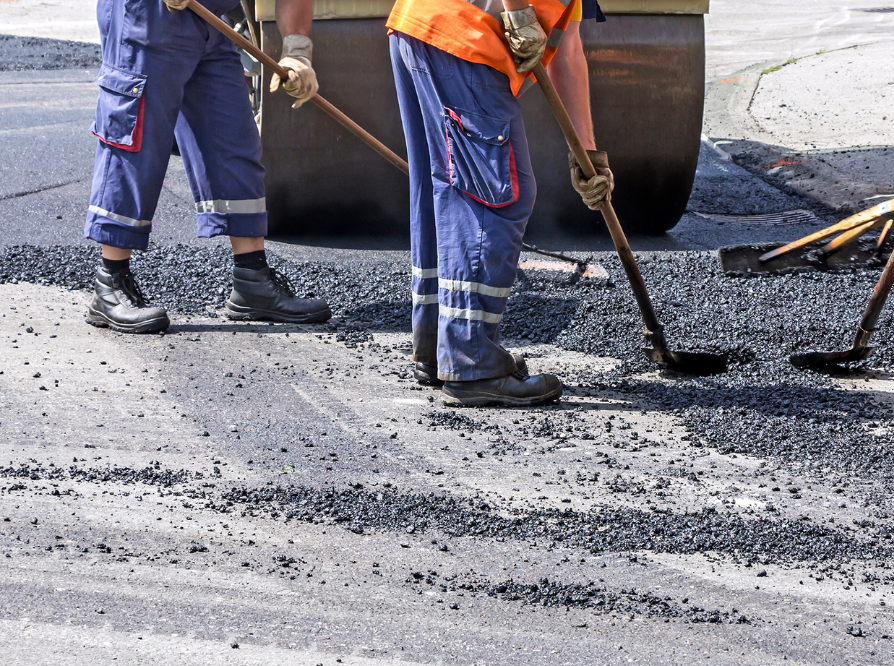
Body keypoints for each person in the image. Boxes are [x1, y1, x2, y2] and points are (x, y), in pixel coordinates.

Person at [388, 0, 611, 407]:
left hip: (421, 25)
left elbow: (570, 51)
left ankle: (439, 345)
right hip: (462, 38)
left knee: (443, 190)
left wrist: (587, 154)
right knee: (495, 196)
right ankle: (471, 359)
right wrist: (518, 10)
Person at [85, 0, 331, 333]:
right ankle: (110, 283)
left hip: (210, 19)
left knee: (232, 138)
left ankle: (251, 279)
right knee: (137, 138)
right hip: (150, 16)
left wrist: (297, 49)